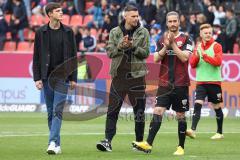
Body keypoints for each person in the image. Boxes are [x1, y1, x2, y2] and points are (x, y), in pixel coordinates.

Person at [132, 11, 193, 156]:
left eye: (175, 21)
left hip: (181, 83)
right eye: (170, 21)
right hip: (165, 83)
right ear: (167, 23)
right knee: (158, 111)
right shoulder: (161, 39)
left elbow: (185, 58)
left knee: (180, 115)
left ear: (179, 22)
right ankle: (148, 144)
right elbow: (155, 58)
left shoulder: (187, 39)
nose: (172, 24)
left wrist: (172, 44)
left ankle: (180, 147)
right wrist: (166, 46)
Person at [96, 5, 150, 152]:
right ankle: (107, 141)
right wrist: (120, 46)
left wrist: (133, 47)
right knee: (112, 110)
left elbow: (145, 53)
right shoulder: (115, 32)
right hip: (119, 76)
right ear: (125, 16)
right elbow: (110, 53)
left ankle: (139, 143)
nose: (136, 18)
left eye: (137, 16)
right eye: (133, 16)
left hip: (137, 77)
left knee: (139, 111)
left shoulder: (143, 32)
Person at [32, 2, 77, 155]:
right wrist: (36, 78)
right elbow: (36, 57)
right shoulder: (40, 32)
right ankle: (57, 144)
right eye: (58, 11)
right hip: (46, 77)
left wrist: (73, 78)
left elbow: (73, 57)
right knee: (51, 112)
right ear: (50, 14)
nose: (61, 13)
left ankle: (52, 142)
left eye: (61, 10)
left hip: (62, 77)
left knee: (57, 110)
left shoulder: (69, 32)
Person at [186, 24, 224, 140]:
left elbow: (218, 62)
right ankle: (192, 130)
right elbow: (192, 64)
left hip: (214, 82)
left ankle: (219, 132)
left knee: (216, 107)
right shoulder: (197, 47)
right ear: (201, 34)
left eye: (209, 33)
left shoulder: (217, 46)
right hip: (201, 82)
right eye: (206, 33)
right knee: (198, 104)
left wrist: (204, 55)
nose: (208, 35)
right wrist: (197, 55)